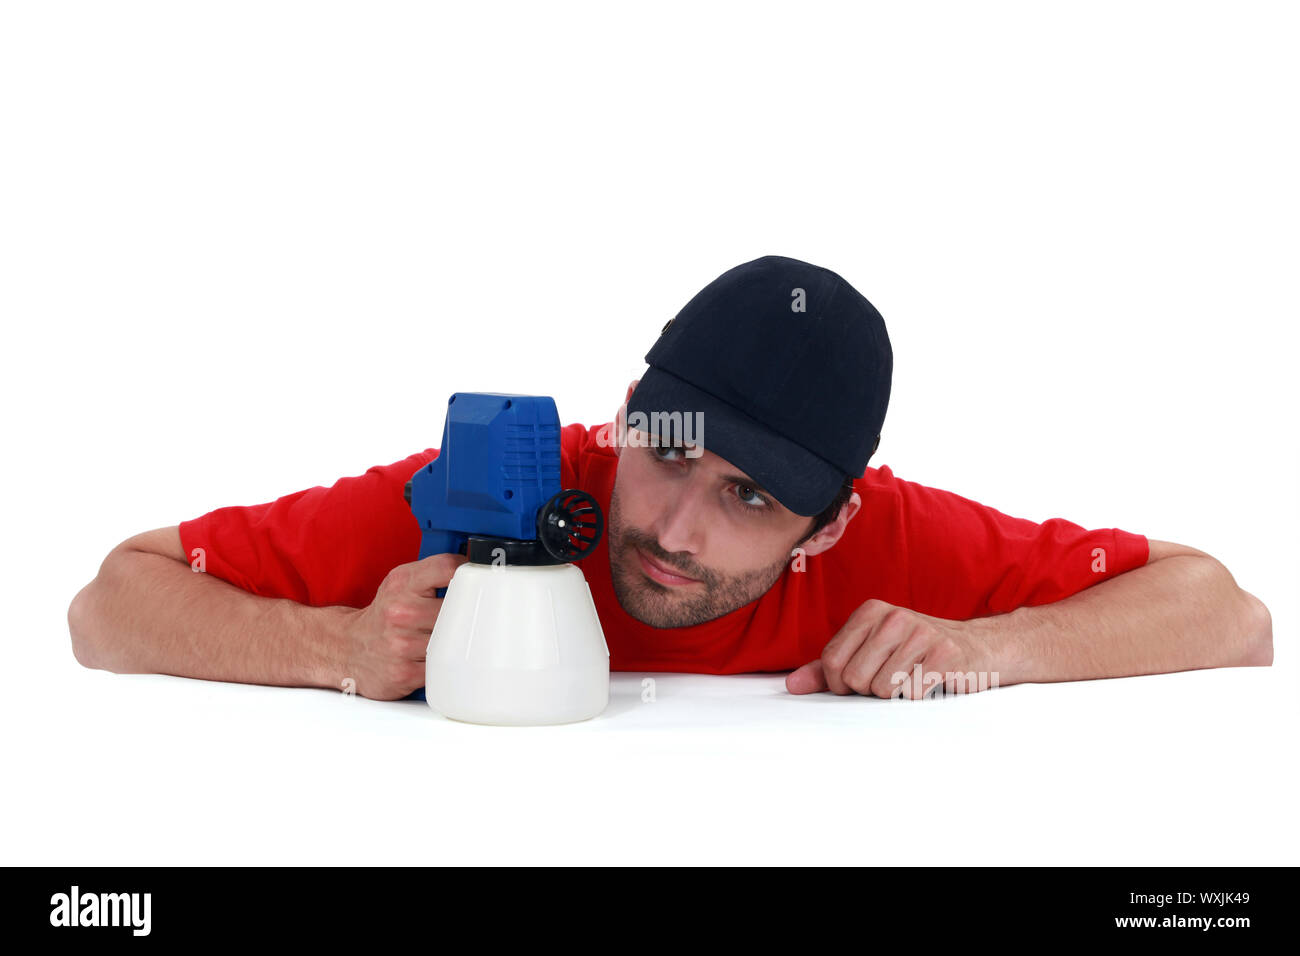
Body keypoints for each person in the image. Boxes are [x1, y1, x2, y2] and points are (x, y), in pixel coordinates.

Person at [66, 256, 1273, 701]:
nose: (675, 528)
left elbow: (1227, 608)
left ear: (829, 521)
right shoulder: (497, 482)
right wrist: (331, 648)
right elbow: (111, 599)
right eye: (670, 453)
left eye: (751, 497)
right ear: (629, 412)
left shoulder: (889, 542)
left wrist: (990, 649)